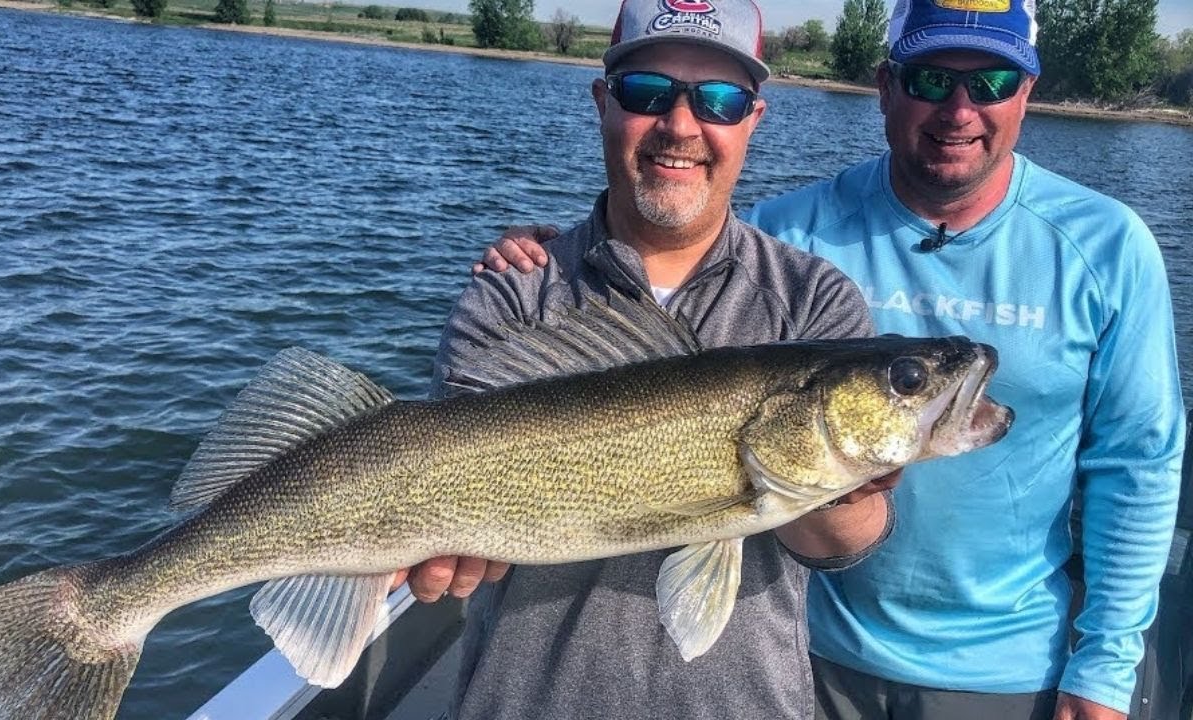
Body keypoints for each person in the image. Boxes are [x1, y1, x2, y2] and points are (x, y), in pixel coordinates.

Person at [475, 1, 1186, 719]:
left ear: (1026, 92)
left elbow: (1138, 463)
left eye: (993, 83)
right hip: (810, 649)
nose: (959, 109)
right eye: (931, 80)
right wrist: (545, 258)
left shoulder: (1107, 247)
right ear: (886, 86)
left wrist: (1104, 669)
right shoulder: (791, 232)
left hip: (1005, 664)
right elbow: (675, 241)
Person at [398, 1, 902, 719]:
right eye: (646, 92)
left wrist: (842, 472)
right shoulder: (514, 290)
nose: (681, 124)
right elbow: (440, 482)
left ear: (753, 120)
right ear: (602, 103)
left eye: (719, 99)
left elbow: (839, 548)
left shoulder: (813, 301)